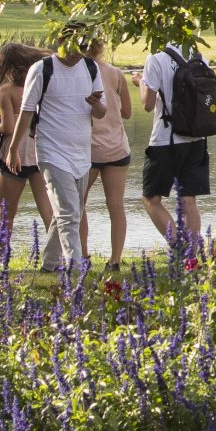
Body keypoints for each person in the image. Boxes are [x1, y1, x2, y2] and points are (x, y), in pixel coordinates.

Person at [7, 21, 105, 270]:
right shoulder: (42, 69)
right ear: (60, 42)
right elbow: (27, 112)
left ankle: (49, 265)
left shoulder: (91, 67)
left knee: (67, 213)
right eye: (73, 47)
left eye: (82, 47)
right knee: (71, 212)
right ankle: (76, 268)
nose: (77, 54)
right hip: (52, 152)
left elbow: (102, 112)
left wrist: (97, 105)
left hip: (81, 153)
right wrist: (13, 149)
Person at [0, 41, 60, 261]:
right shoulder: (40, 82)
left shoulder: (6, 91)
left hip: (14, 155)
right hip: (40, 152)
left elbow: (8, 128)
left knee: (5, 214)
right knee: (49, 212)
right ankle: (57, 259)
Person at [139, 42, 212, 256]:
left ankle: (179, 248)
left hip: (165, 139)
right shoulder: (198, 55)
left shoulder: (156, 58)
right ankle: (194, 255)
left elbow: (147, 104)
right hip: (197, 137)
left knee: (151, 199)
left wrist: (141, 84)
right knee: (188, 199)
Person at [85, 37, 136, 269]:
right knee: (116, 205)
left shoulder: (78, 73)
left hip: (89, 148)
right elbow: (127, 112)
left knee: (77, 203)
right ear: (101, 47)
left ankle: (83, 256)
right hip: (117, 147)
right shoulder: (116, 73)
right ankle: (115, 260)